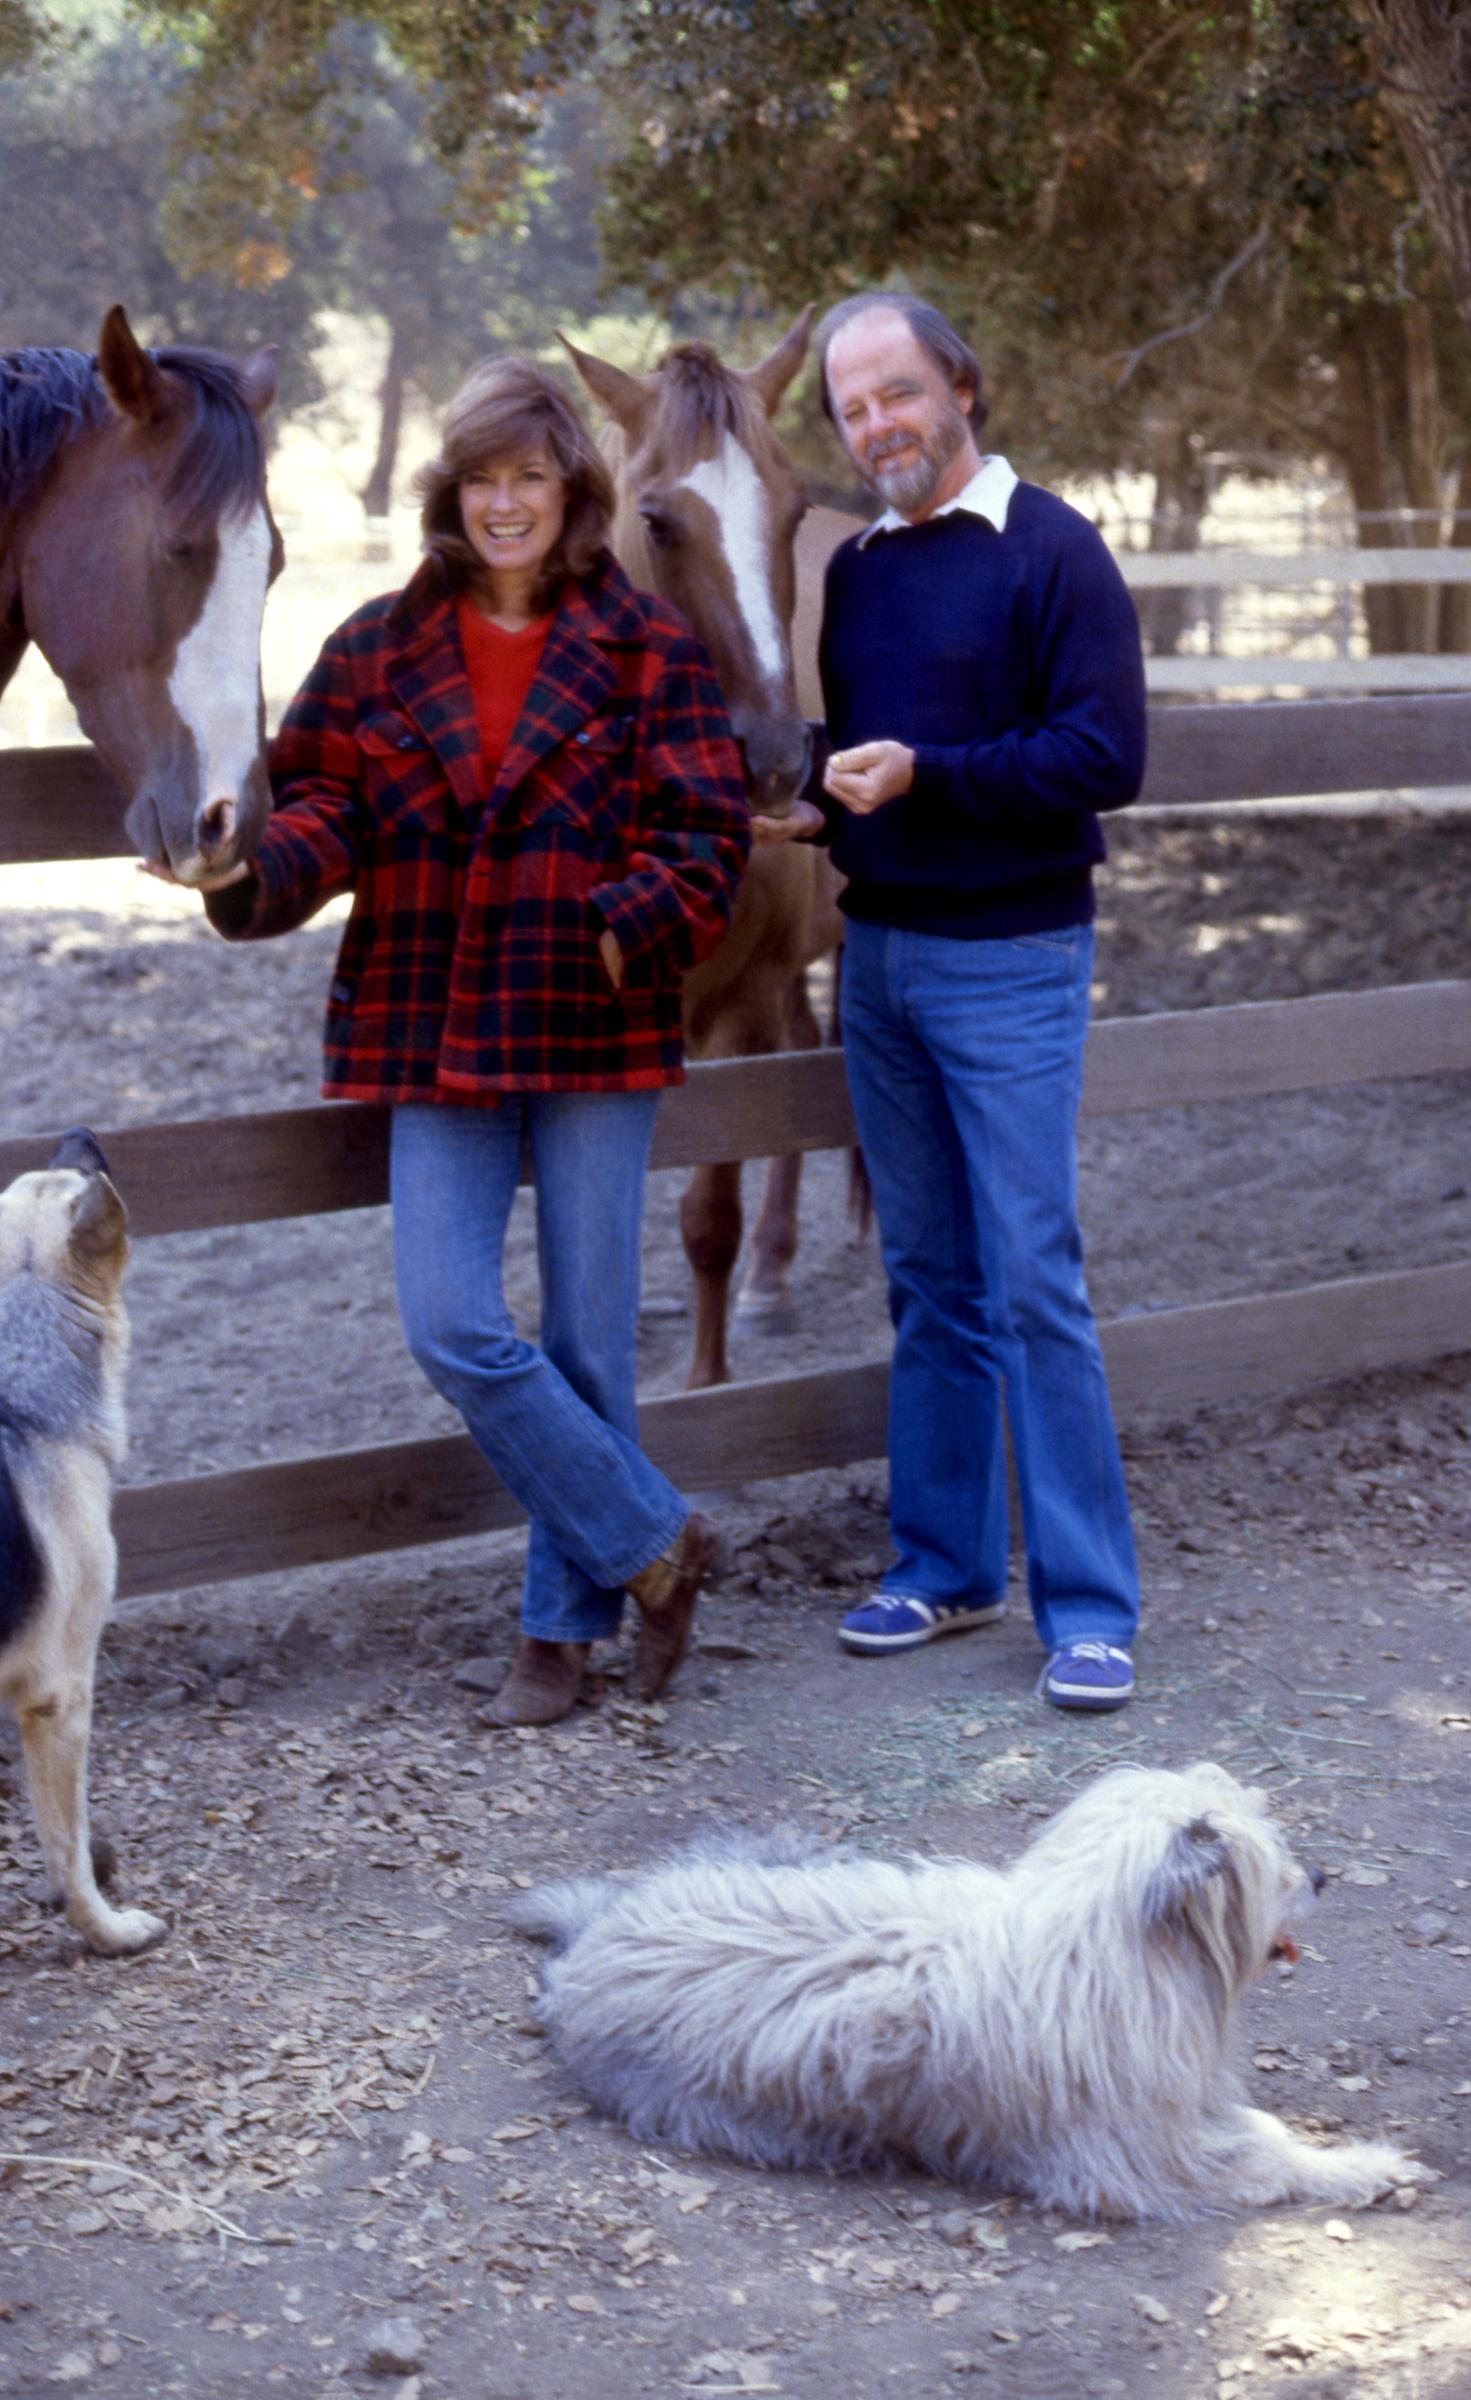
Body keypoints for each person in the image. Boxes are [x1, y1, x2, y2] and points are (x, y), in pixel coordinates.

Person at [187, 358, 750, 1727]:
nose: (507, 504)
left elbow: (707, 840)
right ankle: (657, 1547)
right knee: (450, 1321)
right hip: (429, 1024)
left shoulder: (651, 652)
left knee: (589, 1346)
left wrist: (611, 929)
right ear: (454, 493)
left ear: (574, 494)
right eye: (484, 479)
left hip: (591, 1024)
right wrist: (244, 876)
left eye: (532, 480)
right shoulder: (378, 644)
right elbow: (320, 802)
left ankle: (555, 1642)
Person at [782, 293, 1146, 1710]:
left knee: (1034, 1279)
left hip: (1014, 964)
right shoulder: (862, 574)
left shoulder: (1053, 549)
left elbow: (1104, 755)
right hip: (881, 966)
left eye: (897, 392)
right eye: (852, 407)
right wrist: (819, 804)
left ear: (962, 389)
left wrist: (927, 778)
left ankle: (1091, 1606)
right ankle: (943, 1566)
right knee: (928, 1278)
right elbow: (864, 753)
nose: (877, 424)